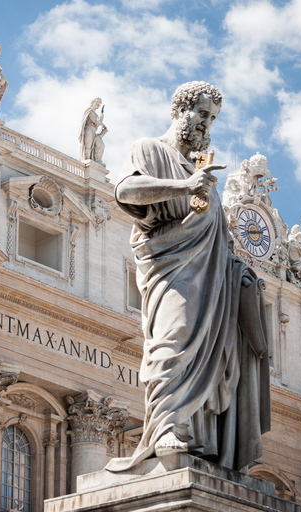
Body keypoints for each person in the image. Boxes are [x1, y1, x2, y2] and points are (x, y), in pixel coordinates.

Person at [107, 81, 270, 472]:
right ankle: (165, 425)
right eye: (201, 113)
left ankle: (202, 441)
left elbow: (221, 243)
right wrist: (184, 185)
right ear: (179, 109)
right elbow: (126, 189)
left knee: (214, 364)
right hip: (171, 269)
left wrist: (241, 275)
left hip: (215, 284)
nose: (206, 124)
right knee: (173, 340)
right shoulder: (150, 150)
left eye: (212, 117)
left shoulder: (204, 171)